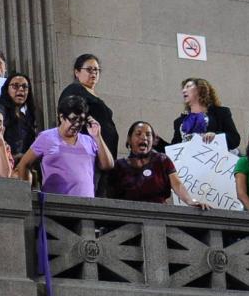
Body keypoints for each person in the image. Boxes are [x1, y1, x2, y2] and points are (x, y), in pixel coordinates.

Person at [15, 95, 114, 197]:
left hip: (86, 204)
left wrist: (97, 137)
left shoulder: (88, 141)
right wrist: (24, 195)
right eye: (73, 119)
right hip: (56, 204)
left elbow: (108, 165)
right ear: (62, 117)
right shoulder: (46, 137)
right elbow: (23, 164)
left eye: (81, 120)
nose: (77, 124)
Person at [108, 121, 208, 207]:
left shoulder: (163, 160)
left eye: (148, 134)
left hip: (159, 219)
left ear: (153, 140)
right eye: (138, 134)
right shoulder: (118, 166)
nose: (144, 137)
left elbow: (177, 184)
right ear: (129, 140)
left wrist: (190, 201)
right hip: (127, 221)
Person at [58, 54, 118, 196]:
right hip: (86, 156)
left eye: (97, 70)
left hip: (103, 158)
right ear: (77, 72)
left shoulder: (94, 95)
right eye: (89, 69)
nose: (94, 73)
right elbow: (70, 117)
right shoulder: (75, 89)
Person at [171, 78, 240, 151]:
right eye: (183, 88)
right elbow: (173, 150)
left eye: (188, 87)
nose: (184, 90)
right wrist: (158, 142)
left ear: (200, 89)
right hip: (188, 161)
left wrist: (216, 136)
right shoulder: (179, 122)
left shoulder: (220, 113)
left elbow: (234, 139)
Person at [0, 73, 38, 163]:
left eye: (25, 86)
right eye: (15, 86)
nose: (21, 89)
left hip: (23, 166)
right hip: (3, 167)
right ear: (7, 89)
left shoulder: (25, 116)